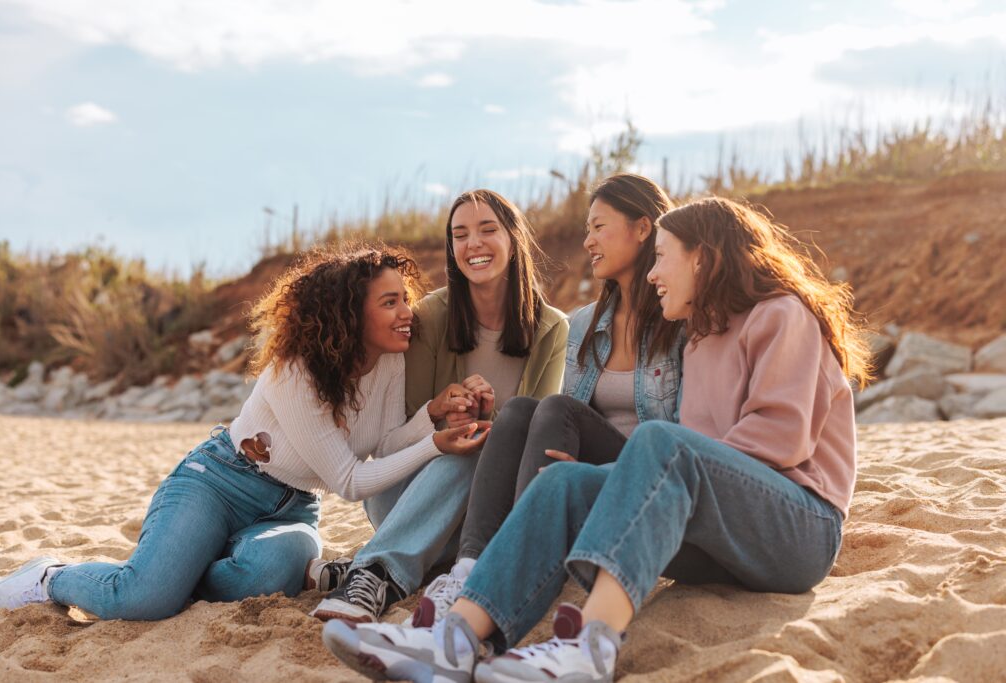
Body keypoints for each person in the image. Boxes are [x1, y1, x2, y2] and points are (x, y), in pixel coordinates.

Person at [322, 197, 871, 683]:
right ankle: (455, 639)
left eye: (662, 256)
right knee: (562, 480)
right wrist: (616, 479)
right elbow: (692, 464)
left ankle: (589, 647)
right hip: (721, 535)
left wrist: (635, 474)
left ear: (702, 257)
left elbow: (779, 440)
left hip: (798, 530)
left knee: (660, 444)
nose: (654, 274)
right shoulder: (703, 338)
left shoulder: (782, 315)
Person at [0, 245, 487, 621]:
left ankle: (182, 568)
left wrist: (431, 416)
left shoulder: (387, 362)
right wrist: (434, 444)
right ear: (352, 313)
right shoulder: (298, 370)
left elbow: (379, 445)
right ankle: (51, 576)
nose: (406, 314)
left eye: (405, 300)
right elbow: (350, 482)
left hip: (293, 503)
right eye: (391, 303)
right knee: (143, 599)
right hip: (220, 481)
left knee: (274, 573)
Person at [405, 173, 685, 630]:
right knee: (518, 410)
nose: (587, 240)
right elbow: (569, 421)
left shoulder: (681, 320)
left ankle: (509, 570)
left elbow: (685, 435)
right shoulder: (584, 325)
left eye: (599, 227)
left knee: (551, 407)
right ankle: (469, 569)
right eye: (586, 228)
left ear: (642, 228)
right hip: (588, 478)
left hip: (646, 477)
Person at [308, 190, 569, 623]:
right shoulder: (430, 317)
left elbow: (534, 438)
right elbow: (392, 445)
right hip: (405, 496)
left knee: (478, 442)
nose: (473, 245)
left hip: (486, 513)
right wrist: (437, 413)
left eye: (487, 230)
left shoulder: (551, 329)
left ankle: (369, 571)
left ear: (513, 238)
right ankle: (382, 567)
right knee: (464, 443)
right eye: (460, 234)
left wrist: (487, 420)